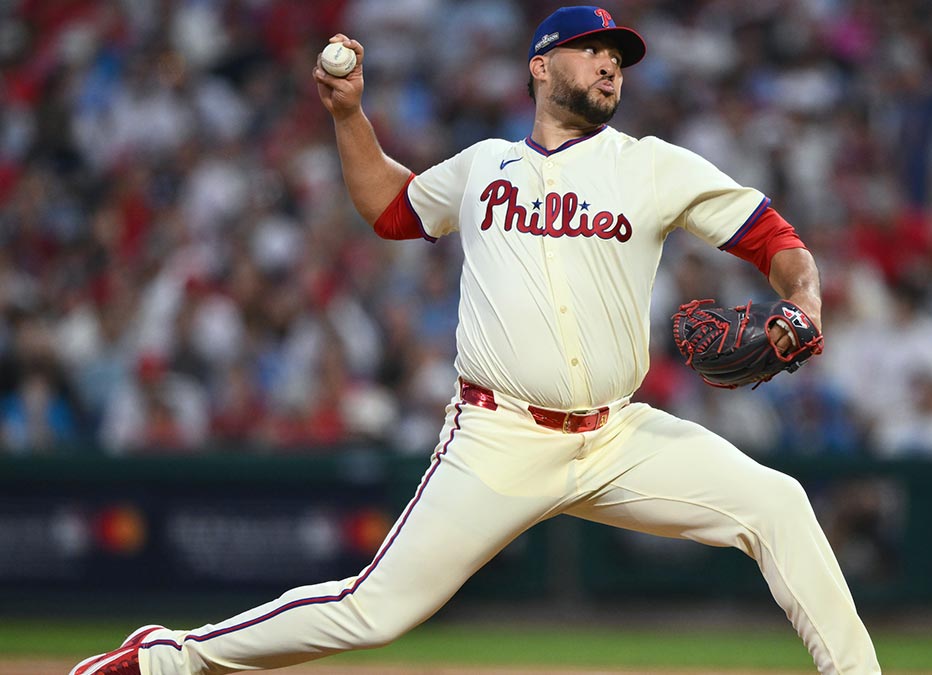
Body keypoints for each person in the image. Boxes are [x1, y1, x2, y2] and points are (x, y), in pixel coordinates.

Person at [71, 7, 879, 674]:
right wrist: (350, 117)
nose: (609, 66)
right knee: (373, 608)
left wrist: (803, 299)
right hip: (500, 436)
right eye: (591, 50)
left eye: (618, 57)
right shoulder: (485, 166)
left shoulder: (652, 166)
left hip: (619, 433)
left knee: (776, 501)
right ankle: (165, 659)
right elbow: (390, 208)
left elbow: (772, 236)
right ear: (539, 65)